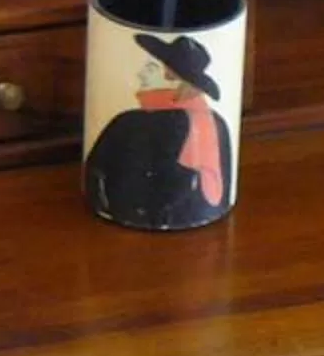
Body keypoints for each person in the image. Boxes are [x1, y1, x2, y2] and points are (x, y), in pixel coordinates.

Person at [84, 31, 232, 228]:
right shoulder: (215, 122)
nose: (141, 74)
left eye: (150, 68)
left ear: (173, 77)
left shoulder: (131, 122)